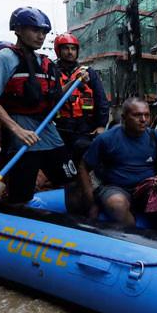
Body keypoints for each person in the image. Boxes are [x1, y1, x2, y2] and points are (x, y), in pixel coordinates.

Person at [0, 6, 85, 205]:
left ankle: (74, 224)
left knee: (71, 181)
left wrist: (76, 80)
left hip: (47, 131)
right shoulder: (3, 59)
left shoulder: (44, 63)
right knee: (20, 196)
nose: (41, 36)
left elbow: (56, 96)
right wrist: (17, 130)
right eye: (35, 30)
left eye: (44, 32)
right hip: (21, 135)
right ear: (18, 30)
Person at [80, 97, 157, 230]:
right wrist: (91, 202)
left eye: (147, 115)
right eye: (137, 115)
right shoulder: (106, 139)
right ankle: (134, 237)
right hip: (116, 188)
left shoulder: (154, 136)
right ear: (124, 117)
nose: (143, 120)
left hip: (147, 188)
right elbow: (83, 166)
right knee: (117, 203)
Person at [52, 32, 110, 213]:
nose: (70, 52)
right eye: (66, 49)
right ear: (58, 51)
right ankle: (71, 206)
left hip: (86, 128)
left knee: (87, 166)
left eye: (73, 49)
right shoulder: (51, 72)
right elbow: (50, 99)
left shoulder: (88, 73)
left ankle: (93, 201)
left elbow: (101, 100)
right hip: (61, 129)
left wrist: (101, 125)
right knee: (67, 172)